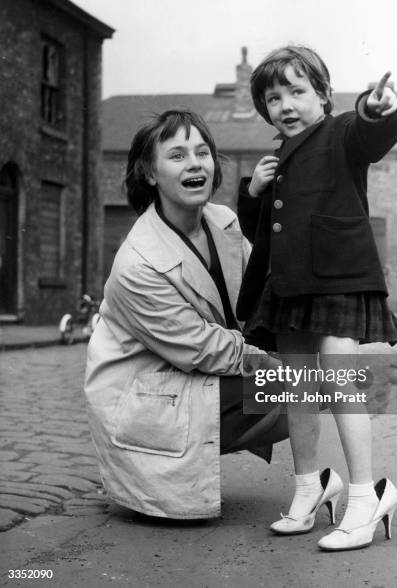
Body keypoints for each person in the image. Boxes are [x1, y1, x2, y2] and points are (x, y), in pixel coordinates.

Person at [236, 45, 397, 551]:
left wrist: (380, 111)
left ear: (325, 96)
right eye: (273, 97)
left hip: (338, 278)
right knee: (295, 391)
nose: (285, 105)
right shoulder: (274, 160)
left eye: (297, 91)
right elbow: (264, 234)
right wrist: (253, 194)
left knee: (337, 384)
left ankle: (363, 498)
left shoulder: (342, 134)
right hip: (289, 286)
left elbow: (372, 135)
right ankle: (309, 489)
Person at [85, 109, 289, 520]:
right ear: (149, 174)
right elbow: (201, 347)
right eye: (177, 155)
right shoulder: (138, 263)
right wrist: (284, 367)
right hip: (146, 399)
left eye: (202, 152)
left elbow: (258, 298)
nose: (195, 163)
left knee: (324, 375)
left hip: (189, 378)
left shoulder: (223, 220)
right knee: (310, 386)